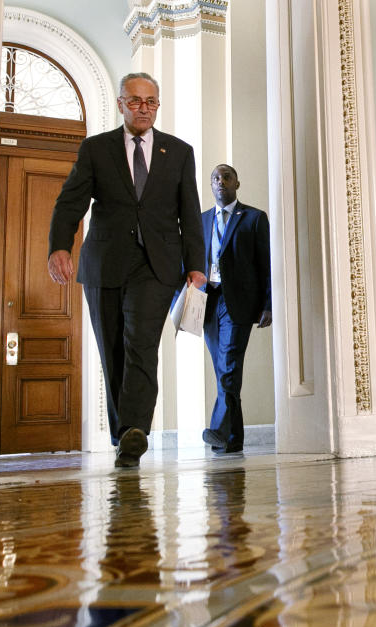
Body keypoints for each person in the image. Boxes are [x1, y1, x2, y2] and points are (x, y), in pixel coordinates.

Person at [48, 72, 206, 466]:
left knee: (141, 344)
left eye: (151, 101)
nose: (144, 108)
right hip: (104, 263)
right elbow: (71, 203)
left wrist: (197, 267)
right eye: (135, 101)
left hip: (157, 265)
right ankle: (124, 436)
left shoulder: (179, 151)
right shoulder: (96, 149)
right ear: (121, 104)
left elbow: (190, 212)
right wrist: (59, 247)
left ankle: (135, 429)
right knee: (113, 348)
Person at [199, 164, 272, 455]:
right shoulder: (201, 221)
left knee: (228, 365)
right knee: (224, 372)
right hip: (208, 303)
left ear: (237, 183)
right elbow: (188, 263)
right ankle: (232, 440)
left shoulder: (254, 218)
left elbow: (266, 265)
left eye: (226, 177)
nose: (221, 182)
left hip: (238, 304)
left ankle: (217, 428)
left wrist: (268, 304)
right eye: (215, 178)